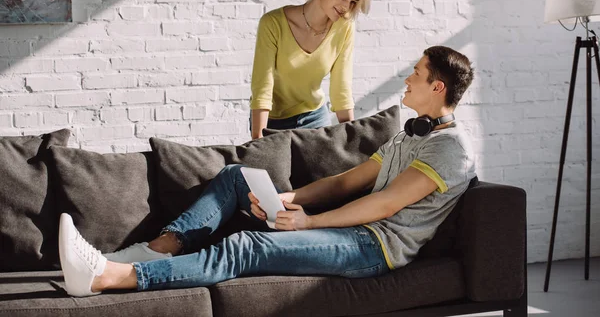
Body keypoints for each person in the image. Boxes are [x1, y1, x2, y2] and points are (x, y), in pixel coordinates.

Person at [58, 46, 476, 297]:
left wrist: (307, 223)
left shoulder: (449, 148)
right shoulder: (409, 136)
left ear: (437, 87)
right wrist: (286, 201)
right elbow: (348, 181)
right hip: (352, 232)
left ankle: (108, 277)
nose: (407, 78)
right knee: (237, 176)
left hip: (374, 248)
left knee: (244, 247)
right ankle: (155, 249)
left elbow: (385, 205)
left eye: (416, 73)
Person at [249, 0, 371, 139]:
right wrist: (258, 140)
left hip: (314, 117)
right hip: (272, 121)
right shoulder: (273, 23)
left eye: (352, 1)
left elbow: (341, 89)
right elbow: (262, 89)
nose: (346, 6)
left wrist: (351, 141)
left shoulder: (344, 27)